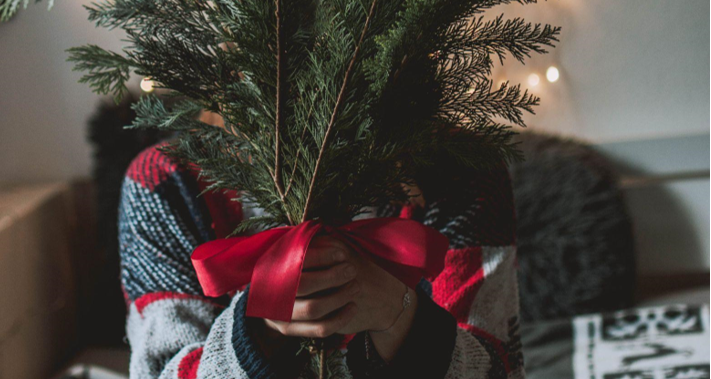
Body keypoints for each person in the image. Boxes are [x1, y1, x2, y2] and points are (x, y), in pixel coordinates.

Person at [119, 143, 524, 378]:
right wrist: (254, 333)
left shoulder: (461, 167)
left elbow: (496, 367)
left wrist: (402, 317)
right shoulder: (165, 180)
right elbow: (160, 370)